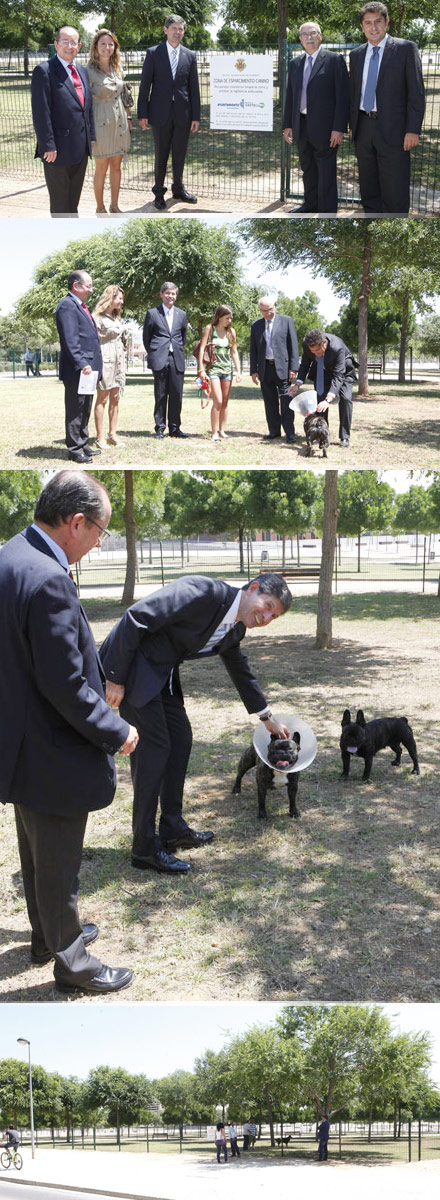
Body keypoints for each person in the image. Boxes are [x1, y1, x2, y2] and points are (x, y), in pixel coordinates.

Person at [0, 472, 139, 994]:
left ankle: (47, 937)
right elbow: (65, 686)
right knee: (59, 861)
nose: (100, 542)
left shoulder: (10, 555)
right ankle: (74, 963)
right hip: (50, 746)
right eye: (100, 531)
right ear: (76, 521)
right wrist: (116, 729)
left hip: (18, 743)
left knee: (37, 851)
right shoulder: (50, 578)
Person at [100, 573, 292, 875]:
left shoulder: (235, 629)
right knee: (154, 751)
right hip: (135, 669)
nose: (266, 616)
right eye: (267, 605)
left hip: (162, 676)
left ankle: (173, 827)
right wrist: (114, 677)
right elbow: (136, 617)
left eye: (274, 615)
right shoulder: (204, 591)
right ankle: (145, 848)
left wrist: (266, 717)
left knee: (181, 740)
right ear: (252, 588)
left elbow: (238, 668)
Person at [349, 1, 425, 215]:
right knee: (368, 184)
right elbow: (354, 94)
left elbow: (416, 93)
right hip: (363, 127)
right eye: (368, 23)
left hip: (395, 129)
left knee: (395, 185)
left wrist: (413, 130)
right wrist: (351, 124)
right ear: (362, 27)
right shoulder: (356, 55)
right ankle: (373, 221)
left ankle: (394, 225)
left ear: (387, 23)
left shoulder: (405, 49)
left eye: (378, 22)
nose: (373, 28)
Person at [282, 22, 349, 214]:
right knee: (308, 170)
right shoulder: (295, 64)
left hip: (326, 129)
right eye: (304, 34)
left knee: (326, 171)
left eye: (313, 33)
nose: (309, 37)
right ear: (300, 39)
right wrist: (287, 125)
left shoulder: (334, 60)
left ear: (321, 35)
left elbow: (343, 97)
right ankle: (310, 205)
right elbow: (291, 96)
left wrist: (338, 128)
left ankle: (327, 211)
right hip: (301, 126)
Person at [137, 14, 200, 211]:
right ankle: (158, 193)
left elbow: (194, 88)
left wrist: (196, 116)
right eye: (173, 28)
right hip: (159, 113)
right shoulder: (154, 53)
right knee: (161, 154)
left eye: (181, 29)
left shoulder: (190, 55)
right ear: (165, 30)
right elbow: (145, 84)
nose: (177, 32)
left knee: (180, 154)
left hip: (183, 113)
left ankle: (178, 189)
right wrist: (142, 113)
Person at [31, 26, 95, 216]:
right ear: (56, 44)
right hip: (56, 151)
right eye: (65, 42)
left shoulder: (83, 72)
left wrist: (91, 138)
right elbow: (41, 113)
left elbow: (87, 108)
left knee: (73, 203)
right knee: (60, 205)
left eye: (73, 42)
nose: (69, 46)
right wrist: (47, 145)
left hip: (81, 149)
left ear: (79, 46)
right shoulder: (44, 71)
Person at [55, 269, 103, 462]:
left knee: (85, 408)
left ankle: (83, 443)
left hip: (89, 368)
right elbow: (70, 339)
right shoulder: (67, 306)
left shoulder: (80, 306)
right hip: (79, 368)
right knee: (76, 409)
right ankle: (74, 449)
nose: (91, 290)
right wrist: (82, 362)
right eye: (88, 286)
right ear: (76, 285)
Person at [87, 29, 132, 215]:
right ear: (96, 47)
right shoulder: (88, 70)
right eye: (103, 44)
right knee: (102, 167)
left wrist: (129, 118)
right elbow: (85, 102)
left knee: (116, 165)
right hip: (100, 121)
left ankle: (114, 205)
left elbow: (124, 95)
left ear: (115, 47)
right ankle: (100, 207)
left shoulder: (116, 68)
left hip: (119, 121)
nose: (107, 47)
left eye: (110, 44)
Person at [290, 328, 357, 447]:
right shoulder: (306, 344)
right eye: (313, 351)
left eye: (317, 350)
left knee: (346, 399)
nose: (315, 353)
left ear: (324, 343)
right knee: (320, 401)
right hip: (322, 371)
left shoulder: (337, 348)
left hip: (343, 372)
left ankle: (344, 436)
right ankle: (321, 435)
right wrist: (297, 384)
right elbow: (305, 364)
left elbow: (338, 376)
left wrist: (329, 399)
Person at [250, 297, 299, 443]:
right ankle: (274, 430)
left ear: (274, 307)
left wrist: (293, 367)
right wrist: (254, 370)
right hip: (265, 369)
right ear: (260, 310)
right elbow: (253, 349)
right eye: (264, 310)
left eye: (270, 309)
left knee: (287, 401)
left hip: (284, 369)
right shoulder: (256, 325)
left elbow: (293, 346)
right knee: (270, 403)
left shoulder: (286, 321)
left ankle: (289, 433)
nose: (268, 313)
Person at [143, 281, 188, 439]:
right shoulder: (152, 313)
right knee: (161, 395)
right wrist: (155, 352)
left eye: (173, 293)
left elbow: (183, 337)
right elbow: (146, 338)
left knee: (177, 394)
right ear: (161, 294)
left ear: (176, 295)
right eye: (167, 293)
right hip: (159, 358)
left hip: (176, 358)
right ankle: (160, 428)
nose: (170, 296)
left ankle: (175, 428)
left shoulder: (182, 314)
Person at [197, 305, 241, 442]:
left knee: (225, 402)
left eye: (231, 318)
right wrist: (201, 369)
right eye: (227, 318)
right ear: (220, 316)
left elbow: (234, 352)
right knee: (218, 401)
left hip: (227, 370)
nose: (230, 320)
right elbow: (202, 348)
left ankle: (222, 431)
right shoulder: (210, 329)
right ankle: (214, 433)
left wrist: (238, 371)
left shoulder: (231, 332)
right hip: (214, 369)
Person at [93, 284, 127, 448]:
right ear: (110, 298)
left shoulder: (117, 319)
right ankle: (100, 437)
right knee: (103, 398)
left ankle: (112, 434)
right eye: (119, 298)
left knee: (115, 398)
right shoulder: (97, 318)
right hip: (104, 359)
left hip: (119, 361)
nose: (121, 301)